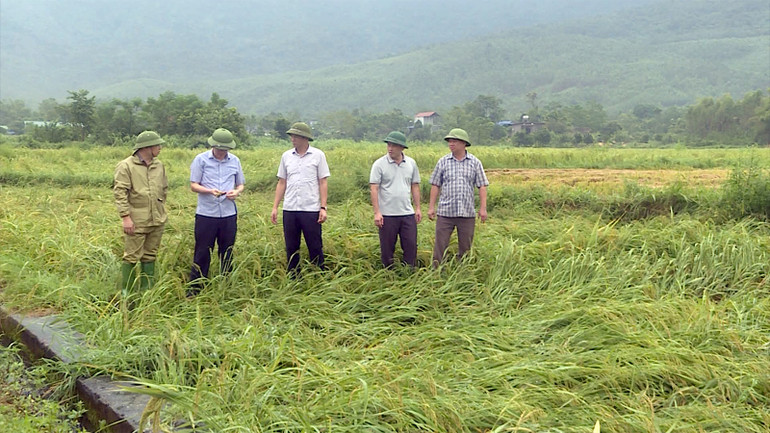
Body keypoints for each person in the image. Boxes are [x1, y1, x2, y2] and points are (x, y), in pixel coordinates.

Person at [113, 130, 168, 307]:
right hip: (136, 220)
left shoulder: (159, 165)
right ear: (147, 147)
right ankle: (126, 295)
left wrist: (160, 208)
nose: (160, 148)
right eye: (157, 145)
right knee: (131, 256)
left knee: (150, 255)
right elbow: (120, 192)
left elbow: (164, 188)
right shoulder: (126, 166)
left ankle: (146, 293)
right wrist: (125, 217)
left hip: (157, 219)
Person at [188, 128, 245, 294]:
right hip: (207, 213)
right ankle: (196, 288)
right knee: (202, 250)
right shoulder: (201, 160)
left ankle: (226, 286)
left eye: (225, 149)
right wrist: (209, 191)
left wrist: (237, 192)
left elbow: (240, 184)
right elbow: (194, 185)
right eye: (220, 149)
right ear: (213, 146)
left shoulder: (235, 161)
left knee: (227, 250)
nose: (222, 152)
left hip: (228, 214)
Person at [271, 122, 330, 275]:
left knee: (315, 245)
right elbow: (282, 182)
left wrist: (323, 207)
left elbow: (323, 182)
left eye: (296, 136)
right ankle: (293, 277)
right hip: (290, 208)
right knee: (291, 246)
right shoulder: (286, 156)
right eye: (292, 136)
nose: (292, 139)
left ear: (305, 138)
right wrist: (275, 207)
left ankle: (318, 275)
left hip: (310, 208)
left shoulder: (318, 155)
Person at [427, 128, 489, 267]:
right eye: (449, 141)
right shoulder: (443, 162)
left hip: (466, 213)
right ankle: (436, 273)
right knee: (440, 246)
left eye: (454, 141)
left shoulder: (474, 162)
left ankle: (463, 274)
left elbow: (482, 186)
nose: (451, 144)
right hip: (445, 212)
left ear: (463, 143)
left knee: (466, 248)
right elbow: (435, 185)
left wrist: (483, 209)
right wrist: (431, 207)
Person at [369, 131, 422, 268]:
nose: (390, 148)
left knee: (410, 246)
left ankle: (409, 273)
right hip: (387, 215)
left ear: (402, 147)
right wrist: (377, 212)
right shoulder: (379, 164)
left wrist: (417, 208)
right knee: (387, 249)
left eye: (394, 145)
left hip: (407, 213)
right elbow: (374, 188)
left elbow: (415, 186)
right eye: (389, 145)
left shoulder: (411, 163)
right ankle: (388, 275)